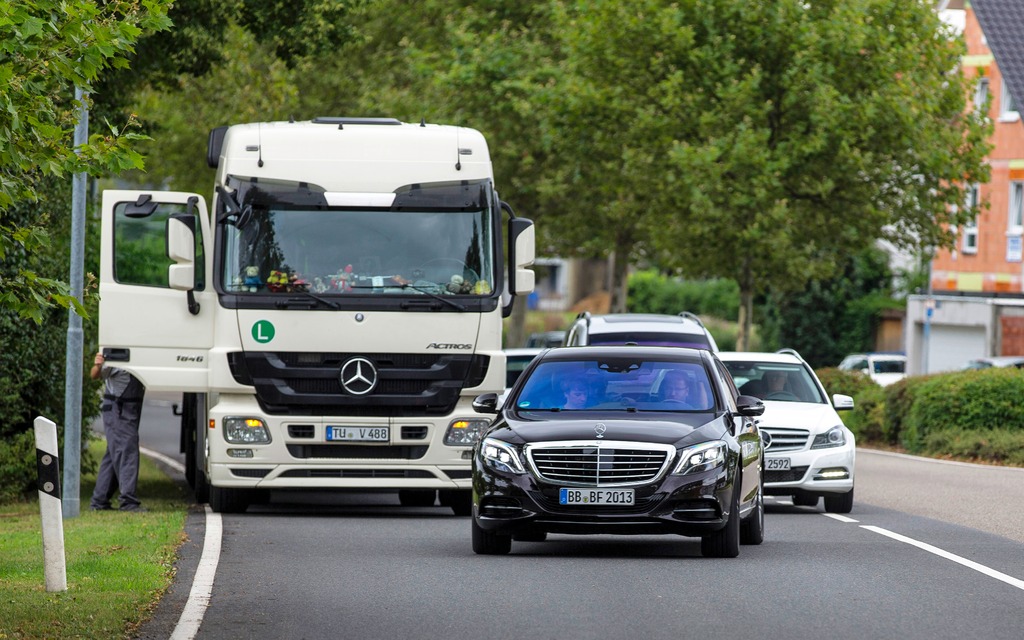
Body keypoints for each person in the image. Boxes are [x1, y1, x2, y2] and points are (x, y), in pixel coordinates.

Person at [89, 351, 147, 512]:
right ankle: (128, 502)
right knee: (127, 452)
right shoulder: (119, 357)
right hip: (119, 410)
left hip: (125, 410)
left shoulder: (137, 355)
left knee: (114, 453)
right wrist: (98, 364)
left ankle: (99, 501)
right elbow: (95, 374)